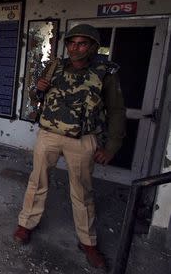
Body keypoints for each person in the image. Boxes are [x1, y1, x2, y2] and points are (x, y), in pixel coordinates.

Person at [14, 24, 126, 271]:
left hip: (82, 139)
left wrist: (112, 146)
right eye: (72, 43)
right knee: (37, 181)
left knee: (82, 191)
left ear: (93, 47)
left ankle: (87, 242)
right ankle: (26, 224)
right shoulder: (55, 66)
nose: (75, 48)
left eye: (82, 44)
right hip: (49, 134)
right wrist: (38, 90)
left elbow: (117, 111)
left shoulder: (105, 72)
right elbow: (36, 98)